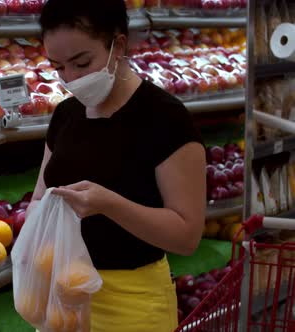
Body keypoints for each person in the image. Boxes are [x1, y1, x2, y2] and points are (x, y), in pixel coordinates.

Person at [25, 0, 207, 331]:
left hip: (133, 308)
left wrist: (109, 204)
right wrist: (39, 219)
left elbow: (187, 235)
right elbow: (40, 196)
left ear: (118, 46)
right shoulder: (66, 115)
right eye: (58, 67)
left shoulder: (164, 118)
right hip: (63, 301)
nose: (71, 78)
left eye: (81, 63)